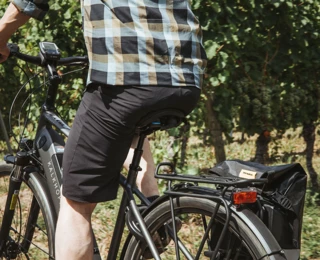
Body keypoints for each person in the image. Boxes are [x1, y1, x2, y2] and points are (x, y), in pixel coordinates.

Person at [0, 0, 207, 259]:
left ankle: (151, 217)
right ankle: (153, 210)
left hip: (128, 74)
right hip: (186, 77)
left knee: (76, 204)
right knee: (128, 124)